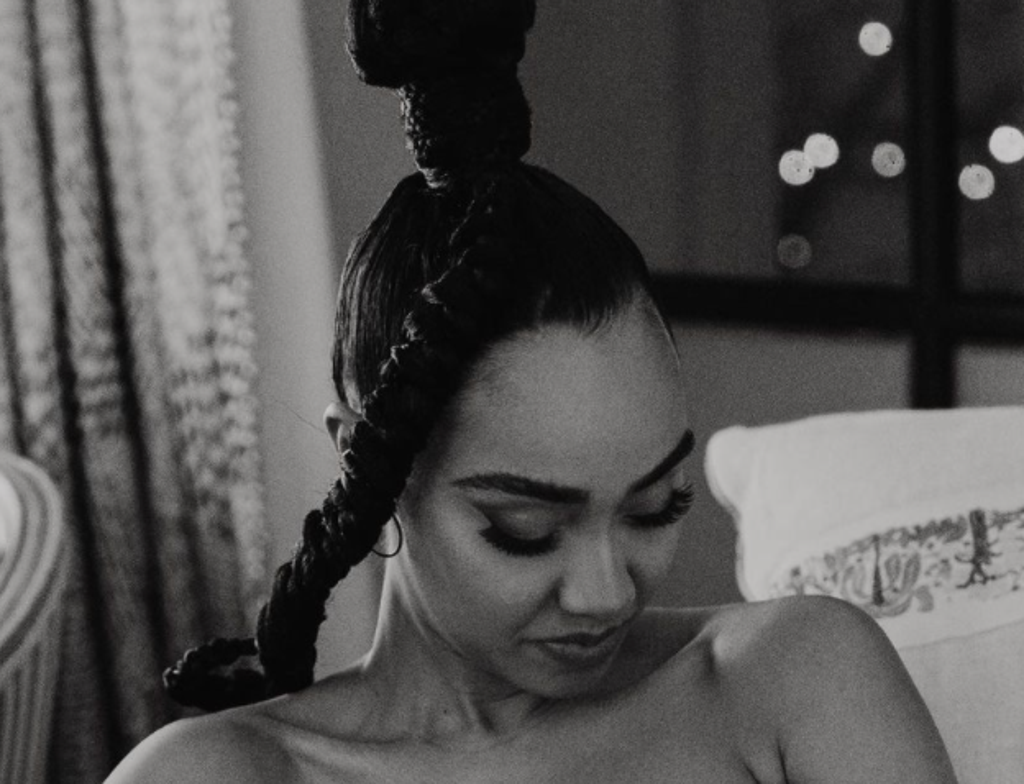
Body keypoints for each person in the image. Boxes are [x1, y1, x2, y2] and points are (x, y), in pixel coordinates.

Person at [105, 1, 958, 781]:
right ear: (368, 465)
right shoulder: (219, 774)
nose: (605, 593)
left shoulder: (793, 677)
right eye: (527, 531)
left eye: (655, 507)